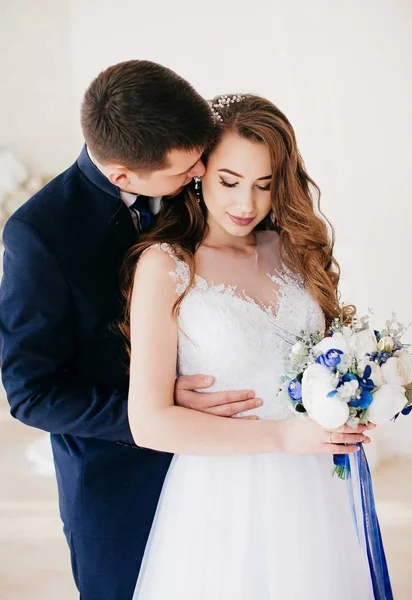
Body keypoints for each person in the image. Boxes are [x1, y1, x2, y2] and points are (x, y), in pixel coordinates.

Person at [0, 62, 263, 600]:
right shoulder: (40, 237)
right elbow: (31, 393)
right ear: (123, 175)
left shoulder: (194, 168)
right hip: (118, 484)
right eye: (185, 170)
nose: (199, 175)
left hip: (232, 468)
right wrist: (153, 408)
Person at [124, 94, 390, 599]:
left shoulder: (295, 250)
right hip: (223, 496)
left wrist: (356, 395)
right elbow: (150, 422)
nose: (246, 204)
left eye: (264, 186)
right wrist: (285, 438)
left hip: (316, 486)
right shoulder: (166, 266)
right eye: (229, 182)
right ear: (199, 170)